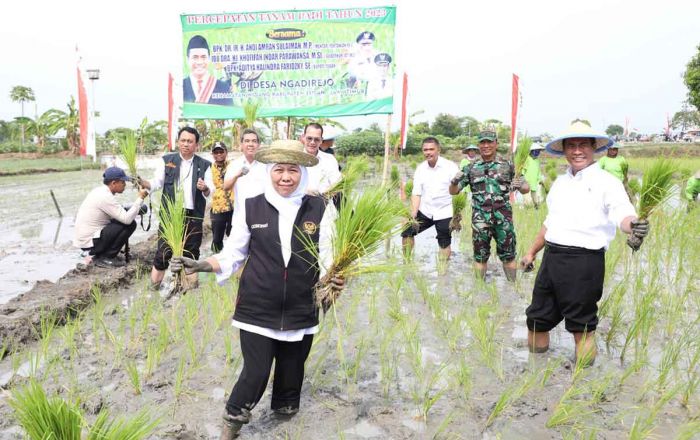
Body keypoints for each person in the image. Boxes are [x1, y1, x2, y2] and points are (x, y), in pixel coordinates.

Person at [169, 140, 343, 439]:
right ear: (268, 172)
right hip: (258, 303)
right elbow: (234, 252)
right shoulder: (252, 206)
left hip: (302, 303)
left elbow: (328, 252)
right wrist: (200, 264)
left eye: (292, 170)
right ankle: (232, 424)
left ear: (302, 172)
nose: (286, 177)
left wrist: (335, 278)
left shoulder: (321, 207)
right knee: (257, 370)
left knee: (292, 368)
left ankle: (285, 415)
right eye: (279, 170)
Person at [519, 120, 649, 365]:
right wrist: (531, 252)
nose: (577, 151)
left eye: (583, 145)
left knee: (582, 327)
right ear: (565, 150)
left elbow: (623, 213)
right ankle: (535, 376)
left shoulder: (607, 183)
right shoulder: (560, 182)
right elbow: (550, 223)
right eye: (571, 146)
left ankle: (583, 386)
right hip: (552, 259)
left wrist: (633, 225)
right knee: (536, 320)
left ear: (593, 148)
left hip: (584, 262)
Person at [138, 127, 213, 289]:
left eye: (190, 141)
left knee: (190, 254)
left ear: (196, 145)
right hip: (170, 217)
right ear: (178, 142)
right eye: (183, 140)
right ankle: (153, 290)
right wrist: (143, 183)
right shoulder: (167, 161)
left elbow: (210, 192)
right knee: (163, 254)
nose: (186, 144)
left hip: (193, 217)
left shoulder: (205, 165)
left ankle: (191, 290)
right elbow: (156, 183)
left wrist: (205, 188)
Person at [449, 130, 529, 281]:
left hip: (503, 220)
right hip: (480, 221)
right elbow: (453, 191)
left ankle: (512, 288)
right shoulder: (471, 168)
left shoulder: (508, 165)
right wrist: (454, 181)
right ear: (478, 145)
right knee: (480, 257)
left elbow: (526, 189)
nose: (486, 145)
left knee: (509, 256)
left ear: (496, 144)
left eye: (489, 142)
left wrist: (520, 185)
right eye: (482, 142)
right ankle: (480, 289)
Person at [73, 167, 148, 268]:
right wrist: (140, 198)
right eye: (122, 182)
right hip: (90, 243)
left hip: (87, 241)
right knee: (130, 224)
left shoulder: (100, 191)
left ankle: (104, 254)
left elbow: (117, 212)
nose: (125, 185)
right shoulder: (105, 197)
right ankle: (106, 257)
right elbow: (126, 219)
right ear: (113, 183)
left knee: (122, 222)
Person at [402, 137, 460, 262]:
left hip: (445, 211)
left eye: (431, 149)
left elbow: (458, 193)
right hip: (426, 210)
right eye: (425, 150)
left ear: (438, 150)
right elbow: (416, 193)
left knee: (444, 242)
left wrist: (457, 215)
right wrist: (412, 214)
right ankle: (406, 262)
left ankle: (443, 272)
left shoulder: (450, 167)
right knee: (407, 232)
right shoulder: (420, 168)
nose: (428, 152)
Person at [223, 128, 268, 211]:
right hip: (240, 219)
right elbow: (225, 187)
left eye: (254, 141)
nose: (251, 144)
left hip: (262, 217)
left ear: (258, 144)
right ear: (242, 144)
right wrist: (237, 176)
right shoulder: (234, 165)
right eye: (247, 141)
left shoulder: (266, 166)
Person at [183, 35, 233, 106]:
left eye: (203, 57)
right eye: (195, 57)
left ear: (209, 59)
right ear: (187, 59)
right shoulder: (180, 87)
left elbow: (230, 114)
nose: (199, 62)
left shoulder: (224, 87)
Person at [300, 123, 342, 195]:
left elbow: (336, 183)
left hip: (325, 201)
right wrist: (305, 192)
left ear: (321, 140)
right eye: (309, 138)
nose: (312, 142)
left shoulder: (329, 159)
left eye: (316, 139)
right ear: (303, 137)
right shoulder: (295, 158)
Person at [209, 141, 235, 253]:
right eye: (216, 152)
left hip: (234, 207)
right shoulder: (209, 168)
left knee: (234, 235)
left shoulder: (233, 165)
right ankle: (216, 261)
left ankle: (235, 262)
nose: (219, 154)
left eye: (221, 151)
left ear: (226, 152)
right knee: (216, 239)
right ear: (213, 154)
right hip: (217, 208)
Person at [522, 142, 545, 208]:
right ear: (531, 151)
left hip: (535, 182)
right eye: (536, 151)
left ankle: (536, 210)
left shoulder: (537, 160)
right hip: (527, 183)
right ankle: (526, 211)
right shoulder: (527, 159)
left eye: (538, 151)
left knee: (536, 200)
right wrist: (523, 180)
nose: (537, 153)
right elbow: (522, 171)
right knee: (527, 200)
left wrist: (540, 179)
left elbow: (538, 171)